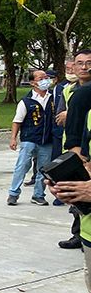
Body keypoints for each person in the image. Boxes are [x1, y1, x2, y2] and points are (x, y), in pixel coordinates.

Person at [7, 70, 54, 207]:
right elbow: (17, 121)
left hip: (47, 140)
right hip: (30, 138)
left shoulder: (53, 98)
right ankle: (13, 193)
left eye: (46, 77)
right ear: (33, 82)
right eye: (41, 78)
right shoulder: (26, 101)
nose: (45, 80)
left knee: (43, 169)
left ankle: (38, 195)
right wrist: (13, 138)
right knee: (22, 166)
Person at [59, 50, 91, 249]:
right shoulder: (70, 91)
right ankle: (78, 234)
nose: (85, 67)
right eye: (80, 63)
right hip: (75, 151)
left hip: (83, 154)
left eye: (89, 63)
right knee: (78, 195)